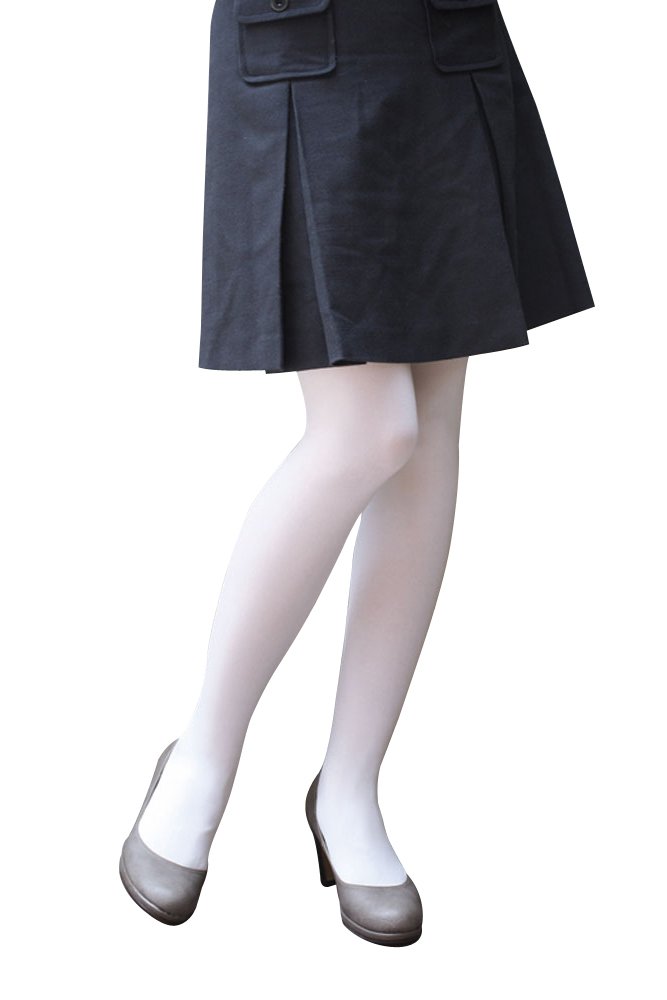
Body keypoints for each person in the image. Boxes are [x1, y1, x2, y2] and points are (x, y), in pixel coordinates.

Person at [119, 0, 595, 947]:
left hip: (445, 45)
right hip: (305, 41)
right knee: (369, 431)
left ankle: (350, 785)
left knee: (431, 425)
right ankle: (203, 756)